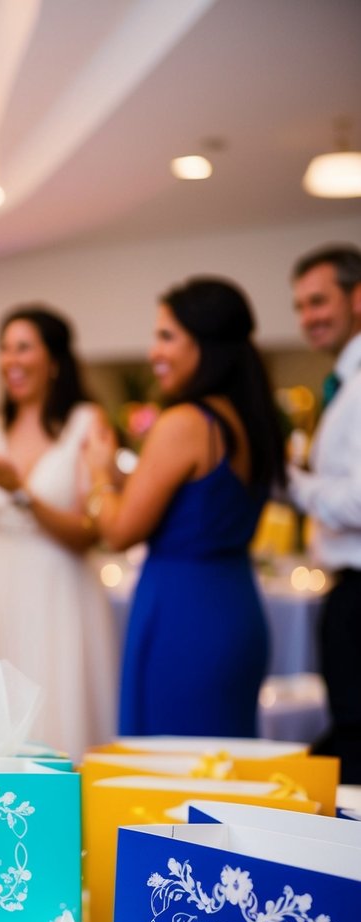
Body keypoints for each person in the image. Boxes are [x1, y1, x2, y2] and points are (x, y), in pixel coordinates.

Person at [83, 277, 287, 737]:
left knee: (173, 768)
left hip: (182, 614)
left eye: (166, 336)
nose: (154, 352)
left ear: (206, 344)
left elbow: (118, 533)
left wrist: (98, 472)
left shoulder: (185, 423)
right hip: (234, 603)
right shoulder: (251, 420)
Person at [0, 305, 117, 758]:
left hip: (57, 589)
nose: (10, 360)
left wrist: (22, 494)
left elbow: (88, 533)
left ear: (54, 360)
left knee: (56, 714)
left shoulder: (85, 424)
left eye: (23, 348)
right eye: (3, 349)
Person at [288, 244, 361, 780]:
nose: (308, 317)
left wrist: (294, 485)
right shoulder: (343, 384)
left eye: (319, 302)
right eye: (300, 306)